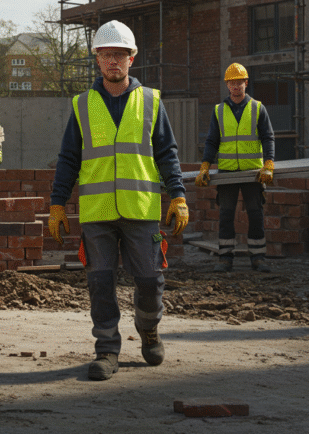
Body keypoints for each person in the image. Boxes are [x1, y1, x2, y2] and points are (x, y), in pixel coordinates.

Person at [48, 20, 189, 381]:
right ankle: (107, 349)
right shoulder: (82, 105)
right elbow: (69, 159)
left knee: (149, 280)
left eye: (120, 55)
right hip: (97, 213)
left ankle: (149, 328)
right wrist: (58, 203)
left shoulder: (151, 101)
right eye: (107, 55)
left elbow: (167, 153)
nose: (113, 61)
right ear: (97, 59)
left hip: (141, 210)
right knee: (100, 283)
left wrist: (178, 195)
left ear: (132, 59)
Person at [195, 63, 275, 273]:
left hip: (253, 172)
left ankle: (258, 258)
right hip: (228, 171)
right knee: (226, 215)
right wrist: (205, 166)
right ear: (227, 85)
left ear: (246, 83)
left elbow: (268, 138)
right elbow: (212, 141)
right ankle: (225, 258)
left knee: (256, 214)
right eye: (232, 82)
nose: (236, 86)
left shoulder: (258, 108)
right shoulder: (219, 111)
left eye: (239, 82)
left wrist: (268, 164)